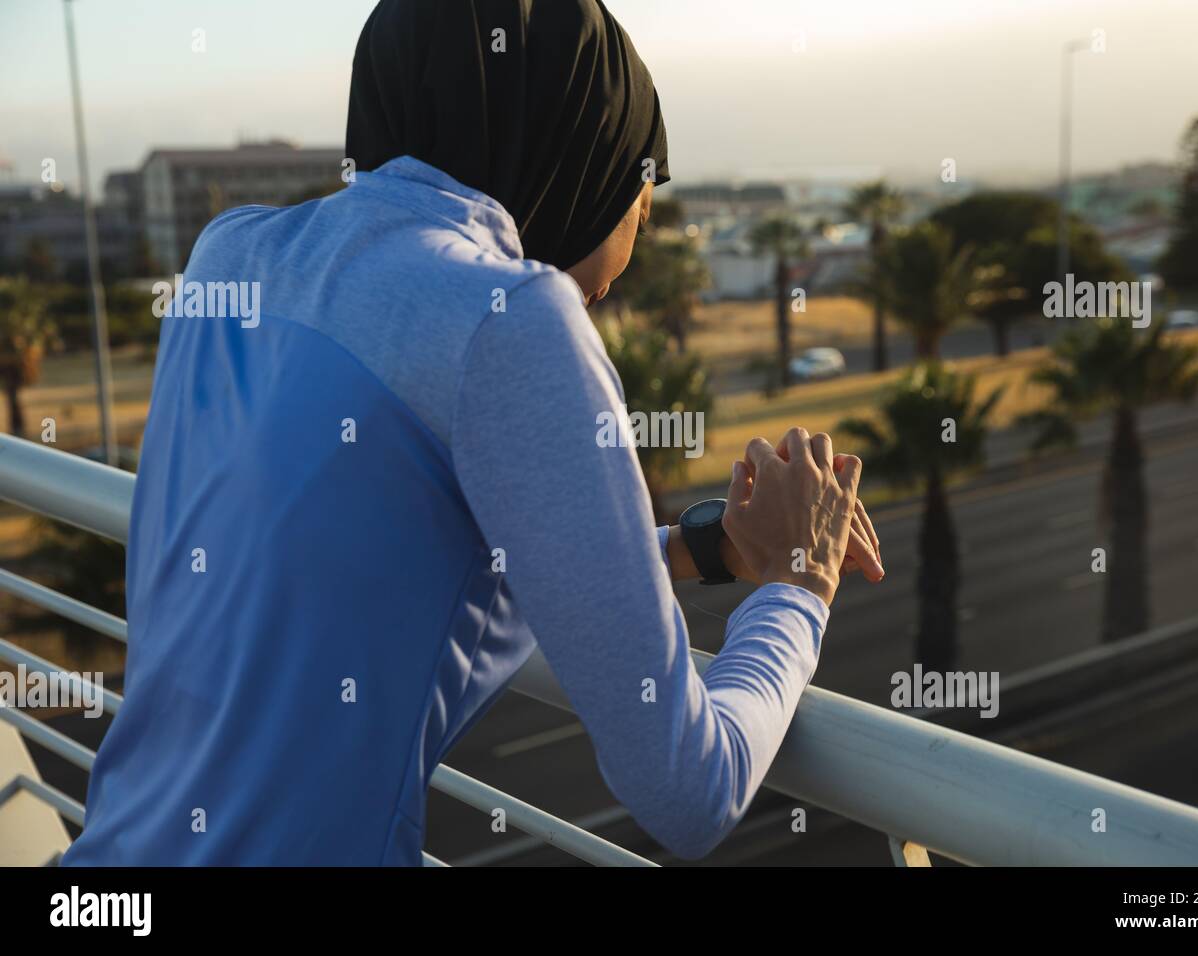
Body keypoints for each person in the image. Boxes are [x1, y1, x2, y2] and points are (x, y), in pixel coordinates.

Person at [63, 0, 883, 866]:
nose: (626, 260)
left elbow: (403, 554)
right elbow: (691, 790)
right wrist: (800, 581)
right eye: (642, 208)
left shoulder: (229, 256)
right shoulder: (513, 319)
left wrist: (703, 548)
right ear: (585, 160)